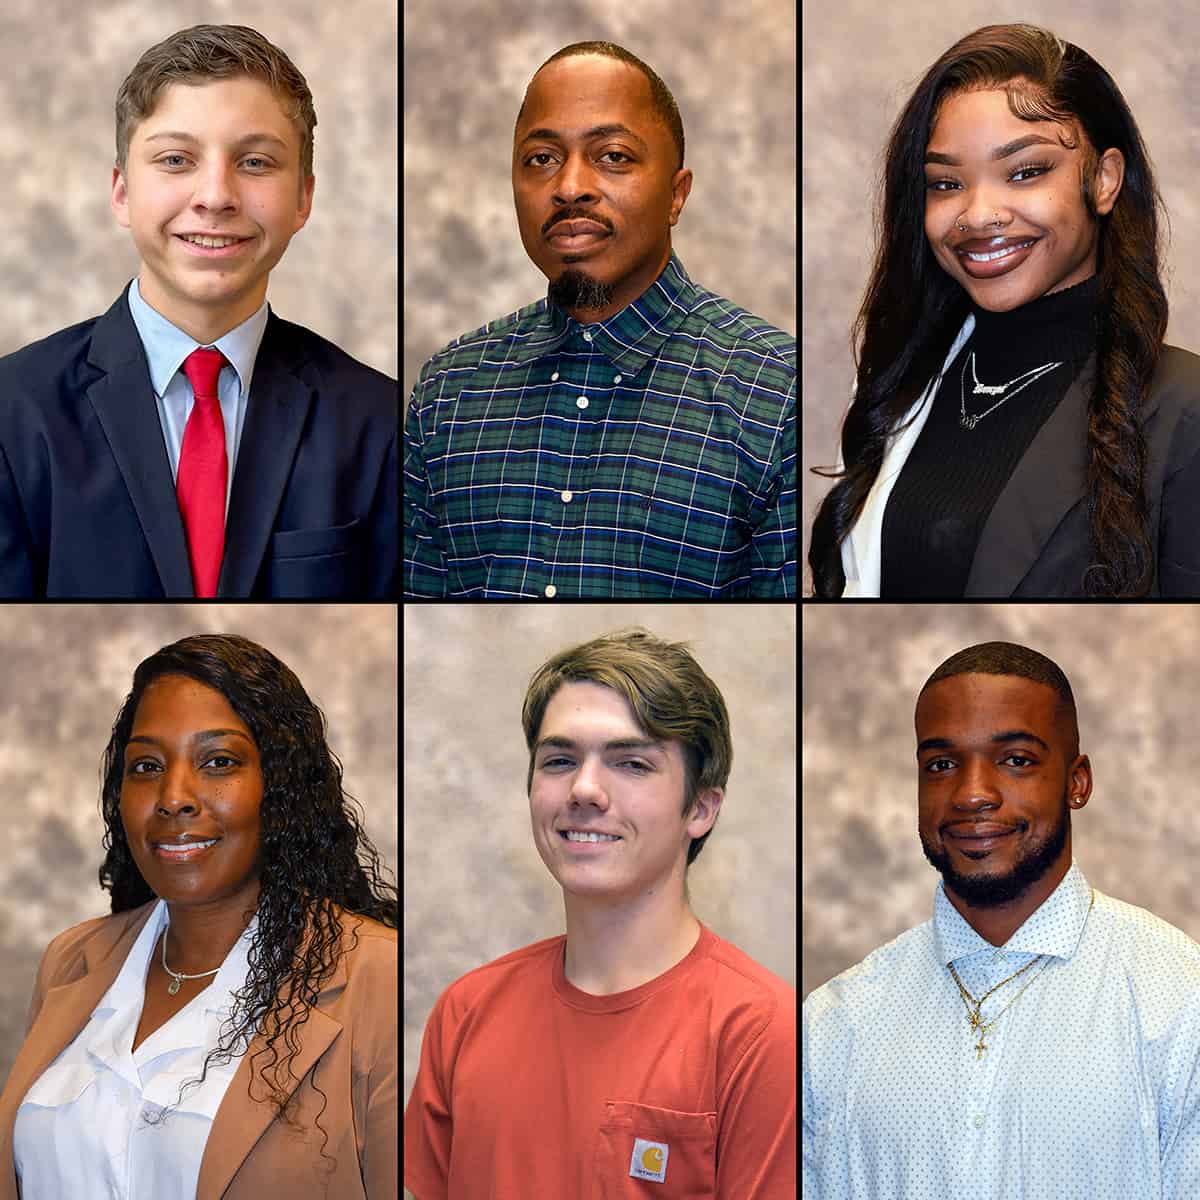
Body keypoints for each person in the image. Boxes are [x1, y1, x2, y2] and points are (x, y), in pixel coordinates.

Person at [0, 24, 398, 599]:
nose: (215, 196)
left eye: (255, 162)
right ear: (121, 192)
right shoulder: (14, 412)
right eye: (176, 159)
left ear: (303, 198)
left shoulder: (376, 420)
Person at [807, 23, 1200, 598]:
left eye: (1025, 172)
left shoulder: (1184, 410)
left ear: (1105, 180)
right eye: (945, 184)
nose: (977, 214)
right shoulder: (900, 383)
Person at [0, 634, 398, 1199]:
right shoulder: (71, 960)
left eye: (218, 762)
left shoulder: (375, 978)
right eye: (146, 766)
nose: (174, 797)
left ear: (280, 785)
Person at [404, 629, 796, 1198]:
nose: (584, 789)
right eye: (559, 760)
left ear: (701, 808)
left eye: (631, 763)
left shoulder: (762, 1034)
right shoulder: (465, 1013)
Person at [803, 640, 1200, 1198]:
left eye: (1016, 760)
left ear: (1077, 782)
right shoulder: (832, 1026)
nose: (972, 795)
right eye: (941, 765)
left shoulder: (1179, 1002)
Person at [404, 41, 796, 599]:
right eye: (542, 159)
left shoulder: (774, 392)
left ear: (676, 195)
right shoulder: (450, 389)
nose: (569, 187)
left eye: (612, 156)